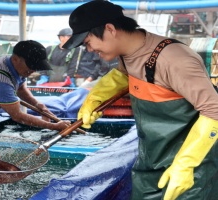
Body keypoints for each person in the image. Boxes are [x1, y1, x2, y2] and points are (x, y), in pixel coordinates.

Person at [63, 1, 218, 200]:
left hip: (191, 171)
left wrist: (185, 165)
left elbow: (214, 109)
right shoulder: (127, 55)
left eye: (87, 42)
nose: (89, 50)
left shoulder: (174, 59)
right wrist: (94, 98)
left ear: (110, 29)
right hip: (151, 163)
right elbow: (122, 75)